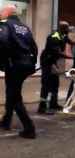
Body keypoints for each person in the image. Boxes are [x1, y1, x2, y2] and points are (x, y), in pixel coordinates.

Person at [0, 4, 38, 138]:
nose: (0, 13)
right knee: (11, 91)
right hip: (25, 64)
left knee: (15, 96)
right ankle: (6, 121)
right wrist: (32, 64)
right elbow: (34, 46)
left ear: (7, 13)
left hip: (14, 65)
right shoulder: (24, 27)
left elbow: (3, 41)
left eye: (2, 11)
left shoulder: (5, 24)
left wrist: (3, 62)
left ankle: (29, 128)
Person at [37, 21, 73, 114]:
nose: (68, 30)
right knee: (46, 84)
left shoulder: (63, 36)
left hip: (53, 62)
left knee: (55, 83)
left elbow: (71, 42)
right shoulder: (54, 37)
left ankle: (53, 104)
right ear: (63, 28)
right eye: (67, 28)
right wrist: (71, 57)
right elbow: (57, 53)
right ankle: (42, 107)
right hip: (47, 62)